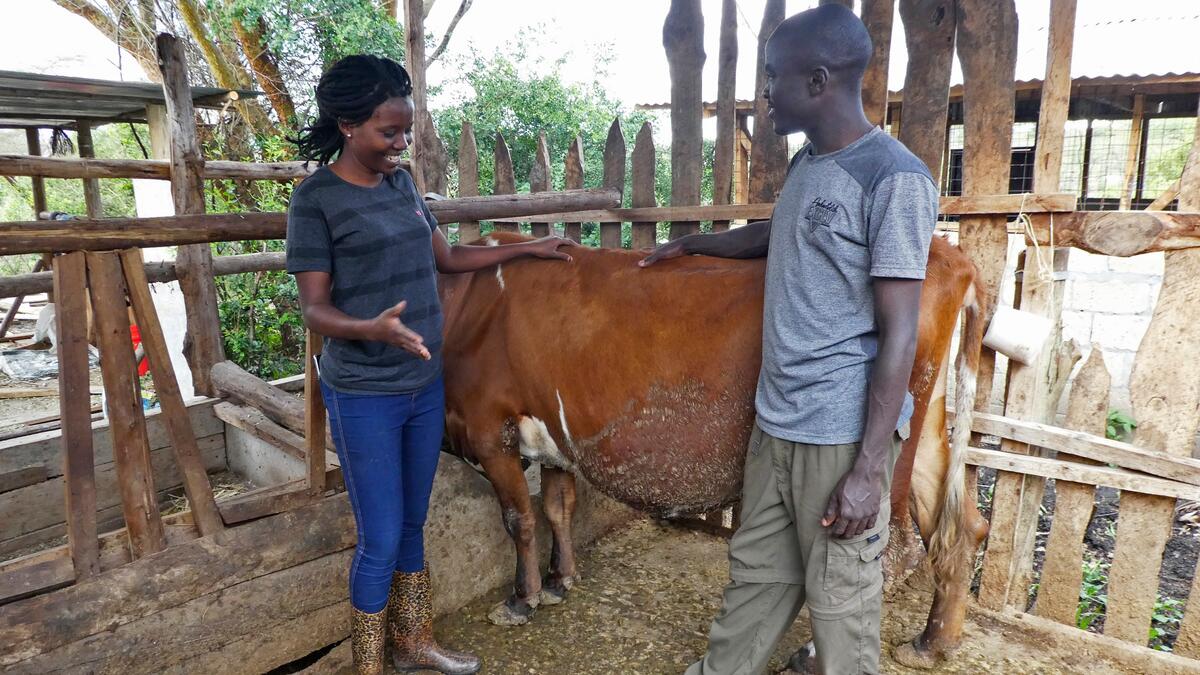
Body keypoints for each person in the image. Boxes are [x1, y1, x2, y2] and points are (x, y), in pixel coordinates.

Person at [641, 6, 939, 674]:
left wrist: (867, 471)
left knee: (841, 603)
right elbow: (778, 234)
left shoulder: (894, 177)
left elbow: (899, 334)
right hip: (778, 423)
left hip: (837, 435)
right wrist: (696, 243)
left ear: (818, 81)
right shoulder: (811, 163)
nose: (763, 93)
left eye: (772, 77)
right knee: (757, 577)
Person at [286, 54, 575, 675]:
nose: (401, 144)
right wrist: (371, 329)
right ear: (346, 124)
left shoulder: (401, 184)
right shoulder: (315, 201)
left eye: (406, 131)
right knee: (381, 537)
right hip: (364, 391)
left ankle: (415, 645)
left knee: (413, 523)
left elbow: (445, 258)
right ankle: (371, 665)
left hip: (421, 384)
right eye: (388, 133)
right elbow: (314, 308)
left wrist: (529, 247)